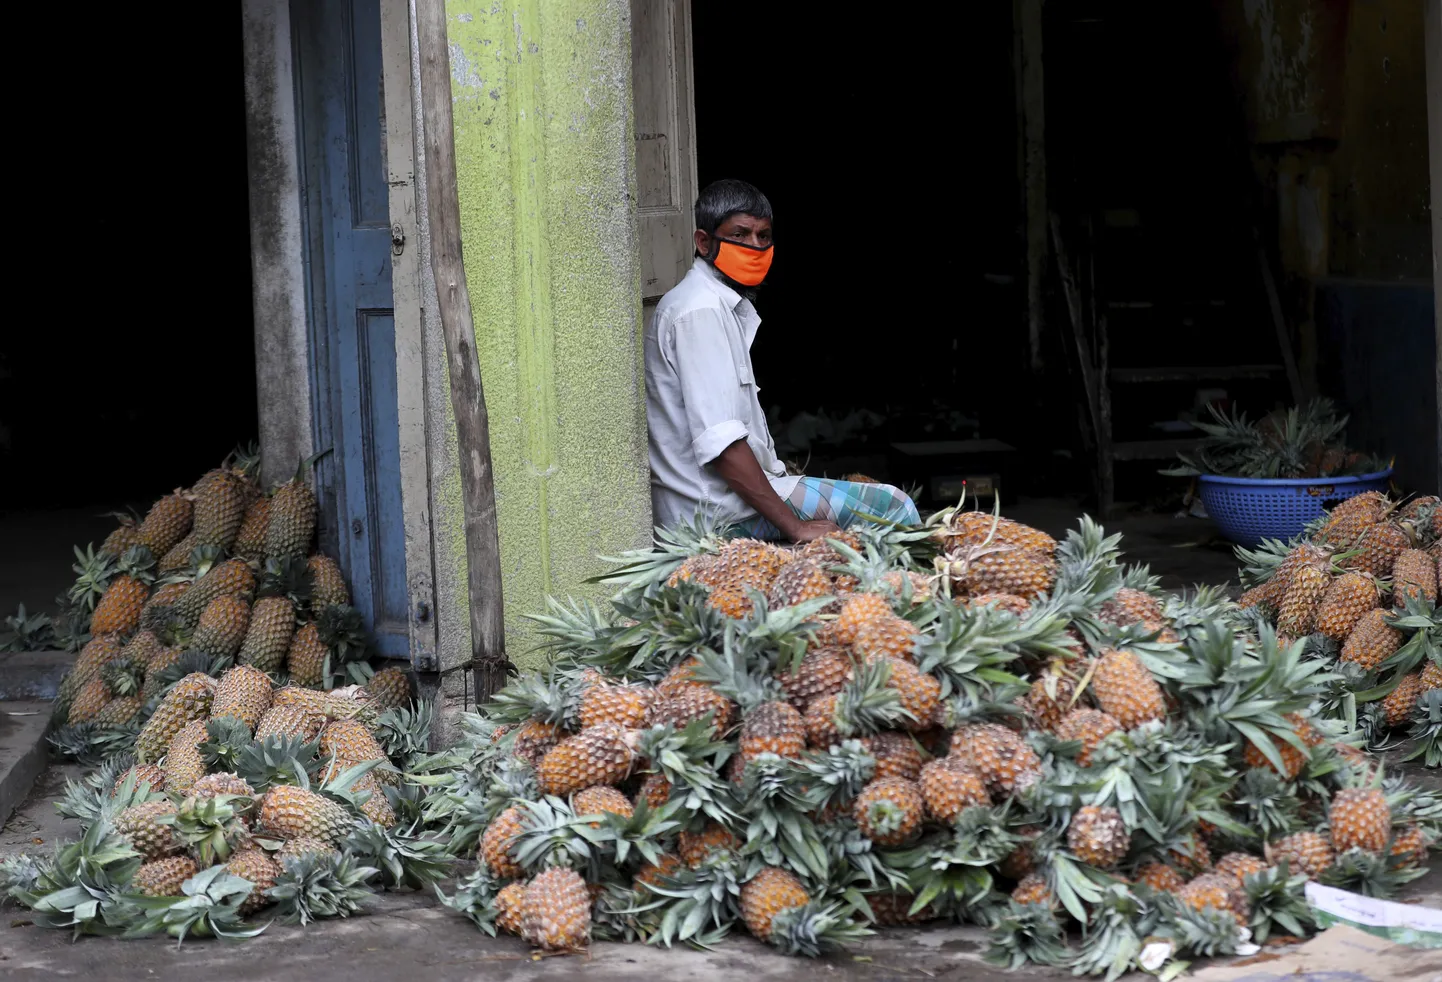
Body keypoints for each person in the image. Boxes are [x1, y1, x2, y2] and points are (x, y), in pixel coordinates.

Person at [644, 179, 920, 543]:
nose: (755, 247)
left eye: (763, 235)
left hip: (721, 502)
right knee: (893, 506)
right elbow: (723, 446)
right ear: (704, 242)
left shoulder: (716, 305)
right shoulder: (701, 312)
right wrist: (796, 527)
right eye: (740, 235)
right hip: (714, 512)